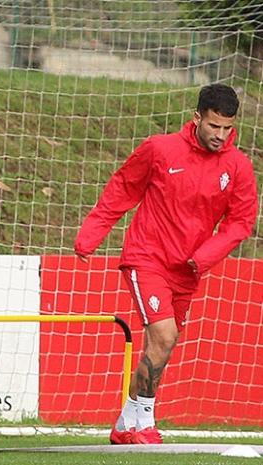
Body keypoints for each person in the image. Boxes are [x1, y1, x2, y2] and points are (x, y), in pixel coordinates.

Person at [74, 84, 258, 445]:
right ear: (197, 118)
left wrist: (204, 256)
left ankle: (127, 422)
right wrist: (91, 234)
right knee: (164, 335)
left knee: (161, 347)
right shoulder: (160, 149)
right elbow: (122, 188)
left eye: (227, 128)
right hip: (148, 257)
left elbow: (241, 222)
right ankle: (145, 421)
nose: (220, 135)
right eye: (214, 126)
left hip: (189, 269)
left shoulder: (238, 167)